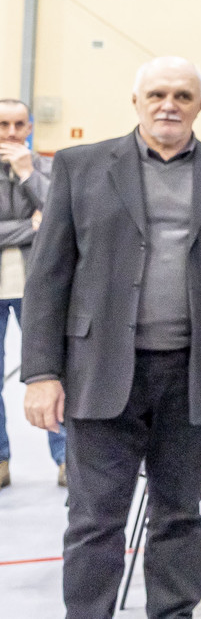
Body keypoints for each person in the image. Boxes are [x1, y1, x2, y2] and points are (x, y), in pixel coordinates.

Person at [21, 57, 201, 619]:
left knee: (179, 515)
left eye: (182, 96)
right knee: (95, 520)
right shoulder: (81, 167)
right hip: (99, 371)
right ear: (135, 101)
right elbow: (48, 277)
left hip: (191, 374)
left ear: (200, 106)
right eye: (157, 94)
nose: (169, 105)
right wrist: (41, 373)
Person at [0, 98, 66, 486]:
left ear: (29, 127)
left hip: (39, 290)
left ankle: (67, 460)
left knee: (53, 375)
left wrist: (27, 173)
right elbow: (44, 223)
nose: (11, 132)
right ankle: (1, 461)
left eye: (18, 124)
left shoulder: (48, 168)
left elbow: (63, 218)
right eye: (3, 124)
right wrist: (31, 227)